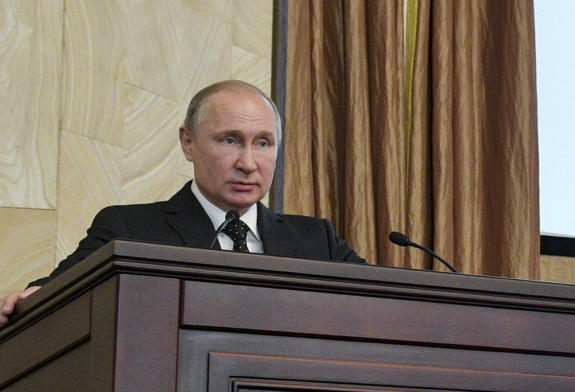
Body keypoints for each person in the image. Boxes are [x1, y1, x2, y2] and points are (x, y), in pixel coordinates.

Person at [0, 80, 363, 327]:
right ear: (188, 142)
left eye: (263, 143)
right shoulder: (129, 230)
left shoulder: (318, 240)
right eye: (230, 141)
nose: (248, 163)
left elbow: (387, 304)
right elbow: (57, 293)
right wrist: (30, 299)